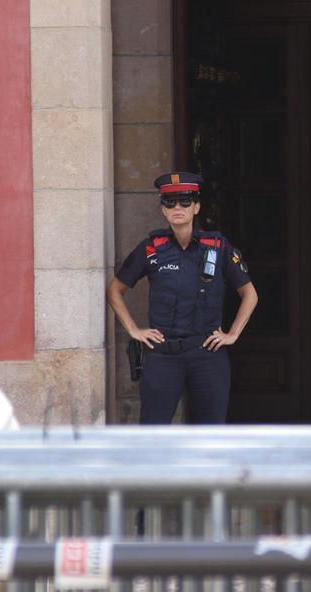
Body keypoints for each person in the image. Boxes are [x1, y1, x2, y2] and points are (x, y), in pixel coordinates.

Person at [107, 172, 258, 423]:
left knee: (209, 435)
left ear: (196, 207)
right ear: (163, 210)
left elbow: (249, 294)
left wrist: (232, 334)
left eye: (185, 202)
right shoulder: (151, 249)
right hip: (163, 354)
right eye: (170, 202)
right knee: (153, 433)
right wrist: (133, 330)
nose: (178, 207)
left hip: (207, 353)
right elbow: (115, 290)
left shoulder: (218, 248)